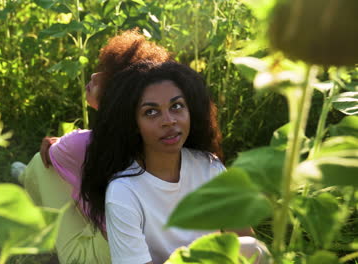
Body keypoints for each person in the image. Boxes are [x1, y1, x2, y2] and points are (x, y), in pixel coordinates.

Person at [81, 61, 269, 264]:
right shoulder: (123, 192)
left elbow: (243, 237)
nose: (169, 121)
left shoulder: (209, 167)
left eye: (176, 106)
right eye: (151, 112)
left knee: (253, 248)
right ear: (134, 124)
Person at [11, 29, 172, 264]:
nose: (95, 75)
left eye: (106, 75)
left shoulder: (79, 144)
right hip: (159, 242)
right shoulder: (160, 139)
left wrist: (61, 144)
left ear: (118, 96)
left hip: (107, 253)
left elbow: (58, 154)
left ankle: (27, 201)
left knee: (42, 163)